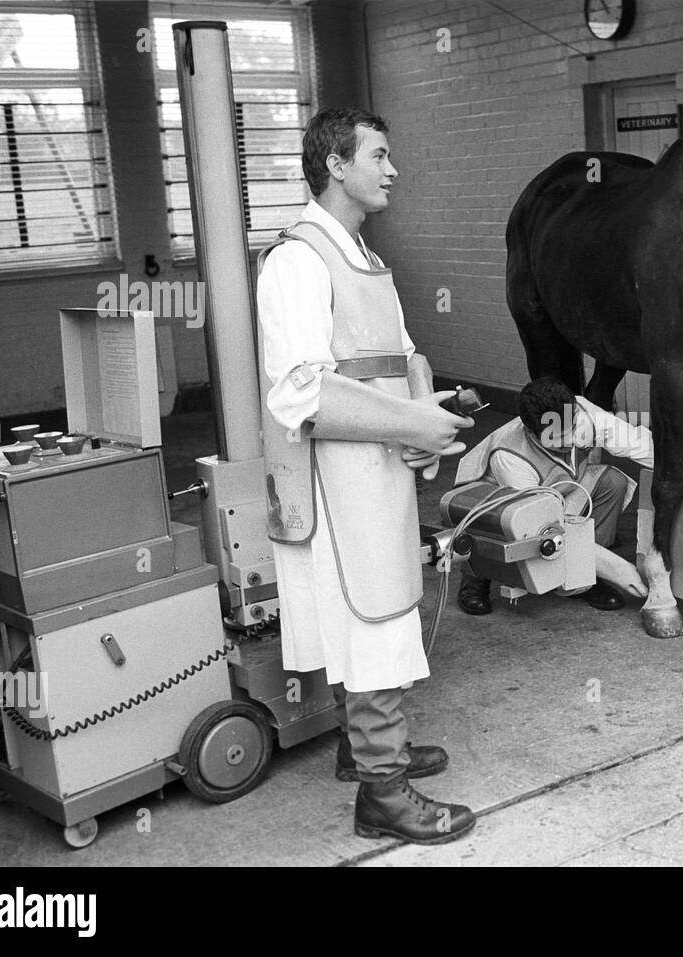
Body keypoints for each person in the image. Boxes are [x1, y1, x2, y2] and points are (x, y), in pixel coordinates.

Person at [256, 107, 478, 843]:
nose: (393, 170)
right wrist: (411, 424)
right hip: (337, 481)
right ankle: (384, 793)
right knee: (371, 617)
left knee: (383, 607)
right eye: (379, 155)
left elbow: (401, 356)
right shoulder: (298, 260)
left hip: (378, 468)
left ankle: (365, 749)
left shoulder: (363, 258)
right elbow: (298, 390)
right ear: (336, 165)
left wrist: (424, 420)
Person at [454, 377, 683, 614]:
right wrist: (618, 569)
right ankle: (476, 575)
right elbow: (537, 526)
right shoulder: (510, 457)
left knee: (611, 482)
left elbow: (641, 445)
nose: (572, 439)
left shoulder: (583, 414)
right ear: (531, 433)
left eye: (572, 428)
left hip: (556, 490)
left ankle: (583, 575)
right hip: (494, 508)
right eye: (560, 437)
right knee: (499, 537)